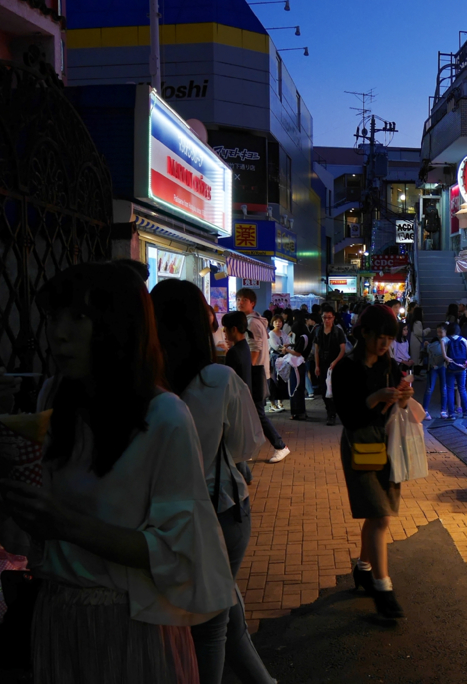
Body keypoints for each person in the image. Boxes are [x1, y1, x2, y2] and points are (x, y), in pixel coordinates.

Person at [0, 263, 235, 684]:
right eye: (54, 317)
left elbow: (179, 551)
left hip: (133, 625)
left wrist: (67, 525)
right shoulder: (56, 398)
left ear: (118, 326)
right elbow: (20, 534)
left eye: (80, 318)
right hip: (56, 621)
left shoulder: (164, 415)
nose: (60, 333)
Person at [150, 280, 275, 684]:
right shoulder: (217, 381)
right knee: (216, 617)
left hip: (164, 520)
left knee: (217, 614)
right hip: (223, 511)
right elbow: (245, 446)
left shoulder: (146, 388)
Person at [333, 305, 412, 619]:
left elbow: (398, 409)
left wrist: (403, 397)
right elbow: (349, 416)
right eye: (380, 336)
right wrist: (375, 398)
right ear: (363, 332)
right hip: (359, 445)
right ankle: (383, 589)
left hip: (388, 443)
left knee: (378, 513)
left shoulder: (390, 365)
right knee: (379, 516)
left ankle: (364, 569)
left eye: (389, 338)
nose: (385, 344)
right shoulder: (345, 369)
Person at [236, 289, 289, 463]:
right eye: (238, 299)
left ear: (252, 303)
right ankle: (249, 449)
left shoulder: (252, 323)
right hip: (257, 372)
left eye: (244, 300)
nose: (240, 302)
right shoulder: (254, 321)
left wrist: (247, 371)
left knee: (257, 413)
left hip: (256, 373)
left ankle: (280, 446)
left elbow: (255, 350)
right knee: (251, 413)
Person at [314, 305, 347, 426]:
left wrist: (335, 362)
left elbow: (342, 349)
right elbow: (316, 349)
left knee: (335, 389)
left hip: (335, 364)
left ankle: (332, 413)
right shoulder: (318, 330)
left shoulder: (338, 331)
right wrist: (317, 365)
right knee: (324, 389)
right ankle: (329, 411)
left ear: (333, 318)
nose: (327, 320)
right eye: (324, 317)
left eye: (329, 317)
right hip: (323, 363)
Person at [442, 322, 467, 419]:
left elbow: (443, 352)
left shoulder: (445, 339)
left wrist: (446, 358)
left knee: (450, 390)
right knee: (462, 389)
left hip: (450, 368)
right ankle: (465, 412)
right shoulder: (463, 339)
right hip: (461, 368)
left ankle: (451, 414)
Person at [285, 317, 312, 420]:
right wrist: (291, 345)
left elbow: (297, 352)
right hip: (301, 365)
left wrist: (287, 350)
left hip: (297, 365)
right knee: (299, 389)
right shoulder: (306, 336)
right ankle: (301, 412)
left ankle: (296, 412)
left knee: (295, 388)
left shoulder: (302, 337)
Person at [423, 324, 448, 419]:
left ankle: (443, 410)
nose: (439, 334)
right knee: (431, 388)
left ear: (446, 332)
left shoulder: (445, 341)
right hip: (435, 367)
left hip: (441, 367)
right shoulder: (438, 341)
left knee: (443, 389)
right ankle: (425, 410)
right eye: (438, 332)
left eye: (441, 332)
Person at [268, 316, 291, 412]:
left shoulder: (283, 333)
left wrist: (285, 347)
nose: (278, 323)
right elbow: (275, 346)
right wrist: (284, 348)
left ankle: (280, 402)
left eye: (280, 322)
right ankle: (273, 404)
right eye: (276, 322)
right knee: (273, 381)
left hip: (283, 359)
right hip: (274, 360)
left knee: (282, 381)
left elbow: (288, 342)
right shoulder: (271, 334)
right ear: (272, 323)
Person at [409, 307, 425, 376]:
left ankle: (416, 373)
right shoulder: (418, 322)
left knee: (415, 357)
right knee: (418, 358)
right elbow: (419, 333)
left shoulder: (414, 322)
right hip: (417, 343)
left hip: (414, 342)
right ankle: (416, 373)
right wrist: (427, 330)